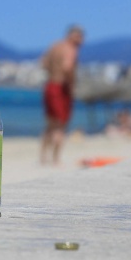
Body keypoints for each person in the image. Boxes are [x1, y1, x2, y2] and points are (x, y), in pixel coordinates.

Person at [40, 24, 84, 165]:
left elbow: (44, 63)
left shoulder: (55, 46)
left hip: (50, 85)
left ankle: (43, 157)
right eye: (80, 37)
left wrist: (53, 72)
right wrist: (71, 83)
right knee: (61, 125)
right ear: (73, 36)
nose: (81, 41)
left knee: (50, 124)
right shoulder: (71, 49)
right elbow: (67, 66)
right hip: (61, 88)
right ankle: (55, 158)